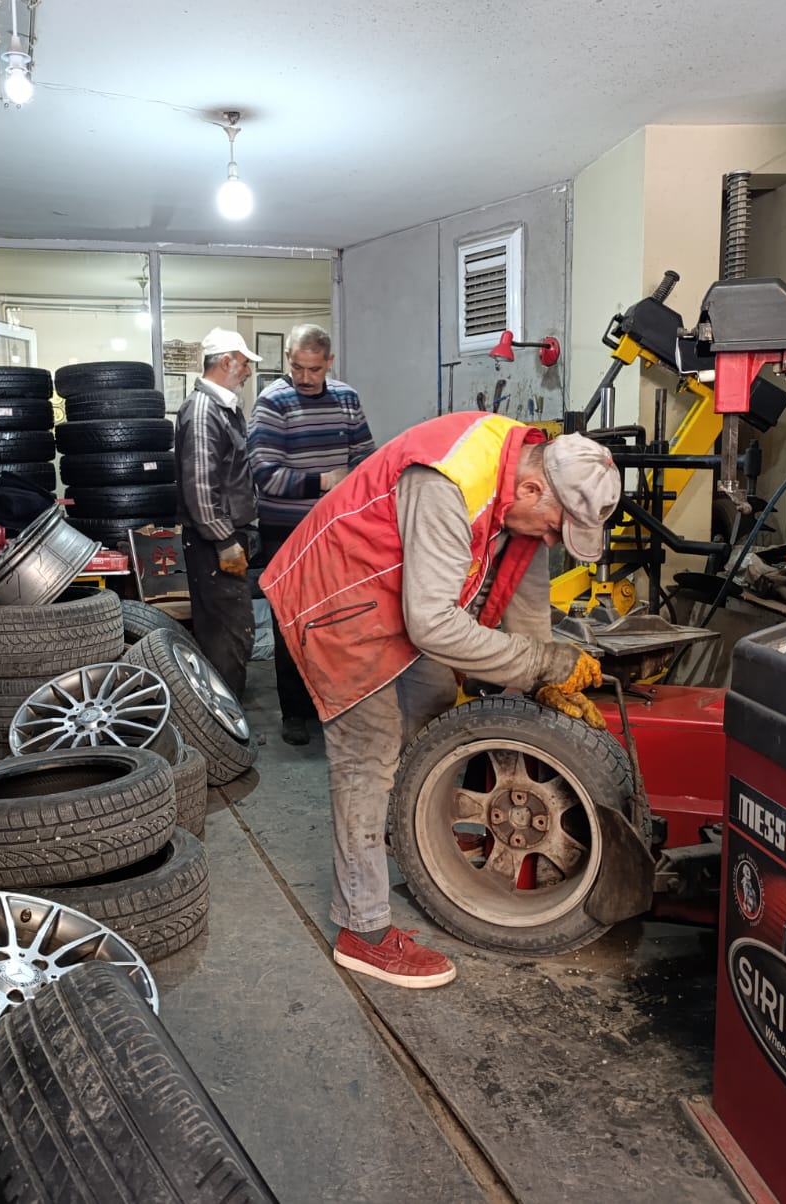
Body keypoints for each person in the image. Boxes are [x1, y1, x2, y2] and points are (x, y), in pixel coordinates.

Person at [260, 412, 620, 989]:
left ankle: (402, 843)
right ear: (532, 490)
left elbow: (525, 582)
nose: (553, 539)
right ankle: (364, 930)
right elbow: (431, 626)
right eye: (556, 526)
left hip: (396, 590)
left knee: (431, 709)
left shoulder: (524, 465)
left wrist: (539, 674)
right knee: (369, 755)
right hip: (340, 596)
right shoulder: (448, 482)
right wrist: (540, 663)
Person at [248, 324, 375, 746]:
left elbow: (365, 459)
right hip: (286, 529)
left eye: (314, 369)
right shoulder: (272, 403)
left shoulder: (346, 398)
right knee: (292, 621)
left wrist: (355, 488)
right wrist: (323, 482)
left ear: (329, 363)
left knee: (337, 619)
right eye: (297, 367)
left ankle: (332, 703)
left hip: (335, 529)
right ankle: (295, 712)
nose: (304, 377)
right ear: (287, 358)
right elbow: (263, 474)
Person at [174, 328, 262, 698]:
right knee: (227, 632)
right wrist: (225, 540)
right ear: (226, 361)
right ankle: (224, 725)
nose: (248, 371)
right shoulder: (204, 410)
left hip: (225, 536)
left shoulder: (223, 408)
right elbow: (199, 485)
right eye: (243, 363)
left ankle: (226, 712)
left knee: (231, 630)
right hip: (214, 542)